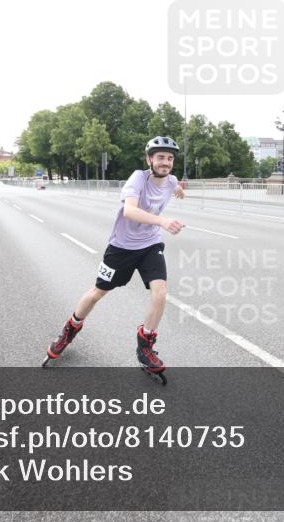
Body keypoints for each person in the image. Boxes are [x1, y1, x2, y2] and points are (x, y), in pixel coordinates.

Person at [47, 136, 186, 373]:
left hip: (151, 245)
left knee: (160, 293)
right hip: (122, 248)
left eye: (170, 158)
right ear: (149, 159)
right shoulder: (137, 179)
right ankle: (70, 329)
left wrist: (180, 191)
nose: (165, 162)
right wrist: (162, 220)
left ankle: (145, 345)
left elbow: (175, 186)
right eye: (160, 157)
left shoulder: (171, 180)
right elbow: (130, 211)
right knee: (96, 294)